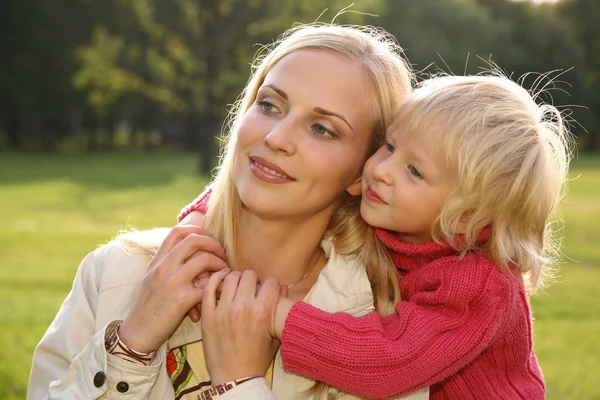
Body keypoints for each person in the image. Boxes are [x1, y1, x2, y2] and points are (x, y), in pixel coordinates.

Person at [27, 24, 429, 399]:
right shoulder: (116, 273)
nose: (276, 138)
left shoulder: (383, 336)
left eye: (323, 129)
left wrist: (240, 385)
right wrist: (129, 346)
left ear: (364, 173)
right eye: (270, 105)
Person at [185, 72, 573, 399]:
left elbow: (391, 356)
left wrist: (274, 313)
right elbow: (261, 177)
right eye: (390, 146)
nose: (383, 169)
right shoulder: (397, 215)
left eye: (414, 171)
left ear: (465, 216)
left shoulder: (481, 283)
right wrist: (196, 223)